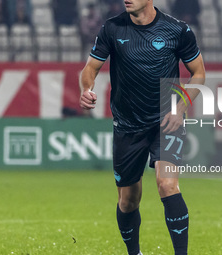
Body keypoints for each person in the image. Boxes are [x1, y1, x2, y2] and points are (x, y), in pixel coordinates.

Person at [79, 0, 205, 254]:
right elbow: (90, 68)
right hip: (127, 125)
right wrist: (86, 89)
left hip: (166, 121)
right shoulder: (112, 28)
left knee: (167, 184)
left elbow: (199, 73)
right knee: (128, 201)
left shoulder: (177, 30)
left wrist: (180, 108)